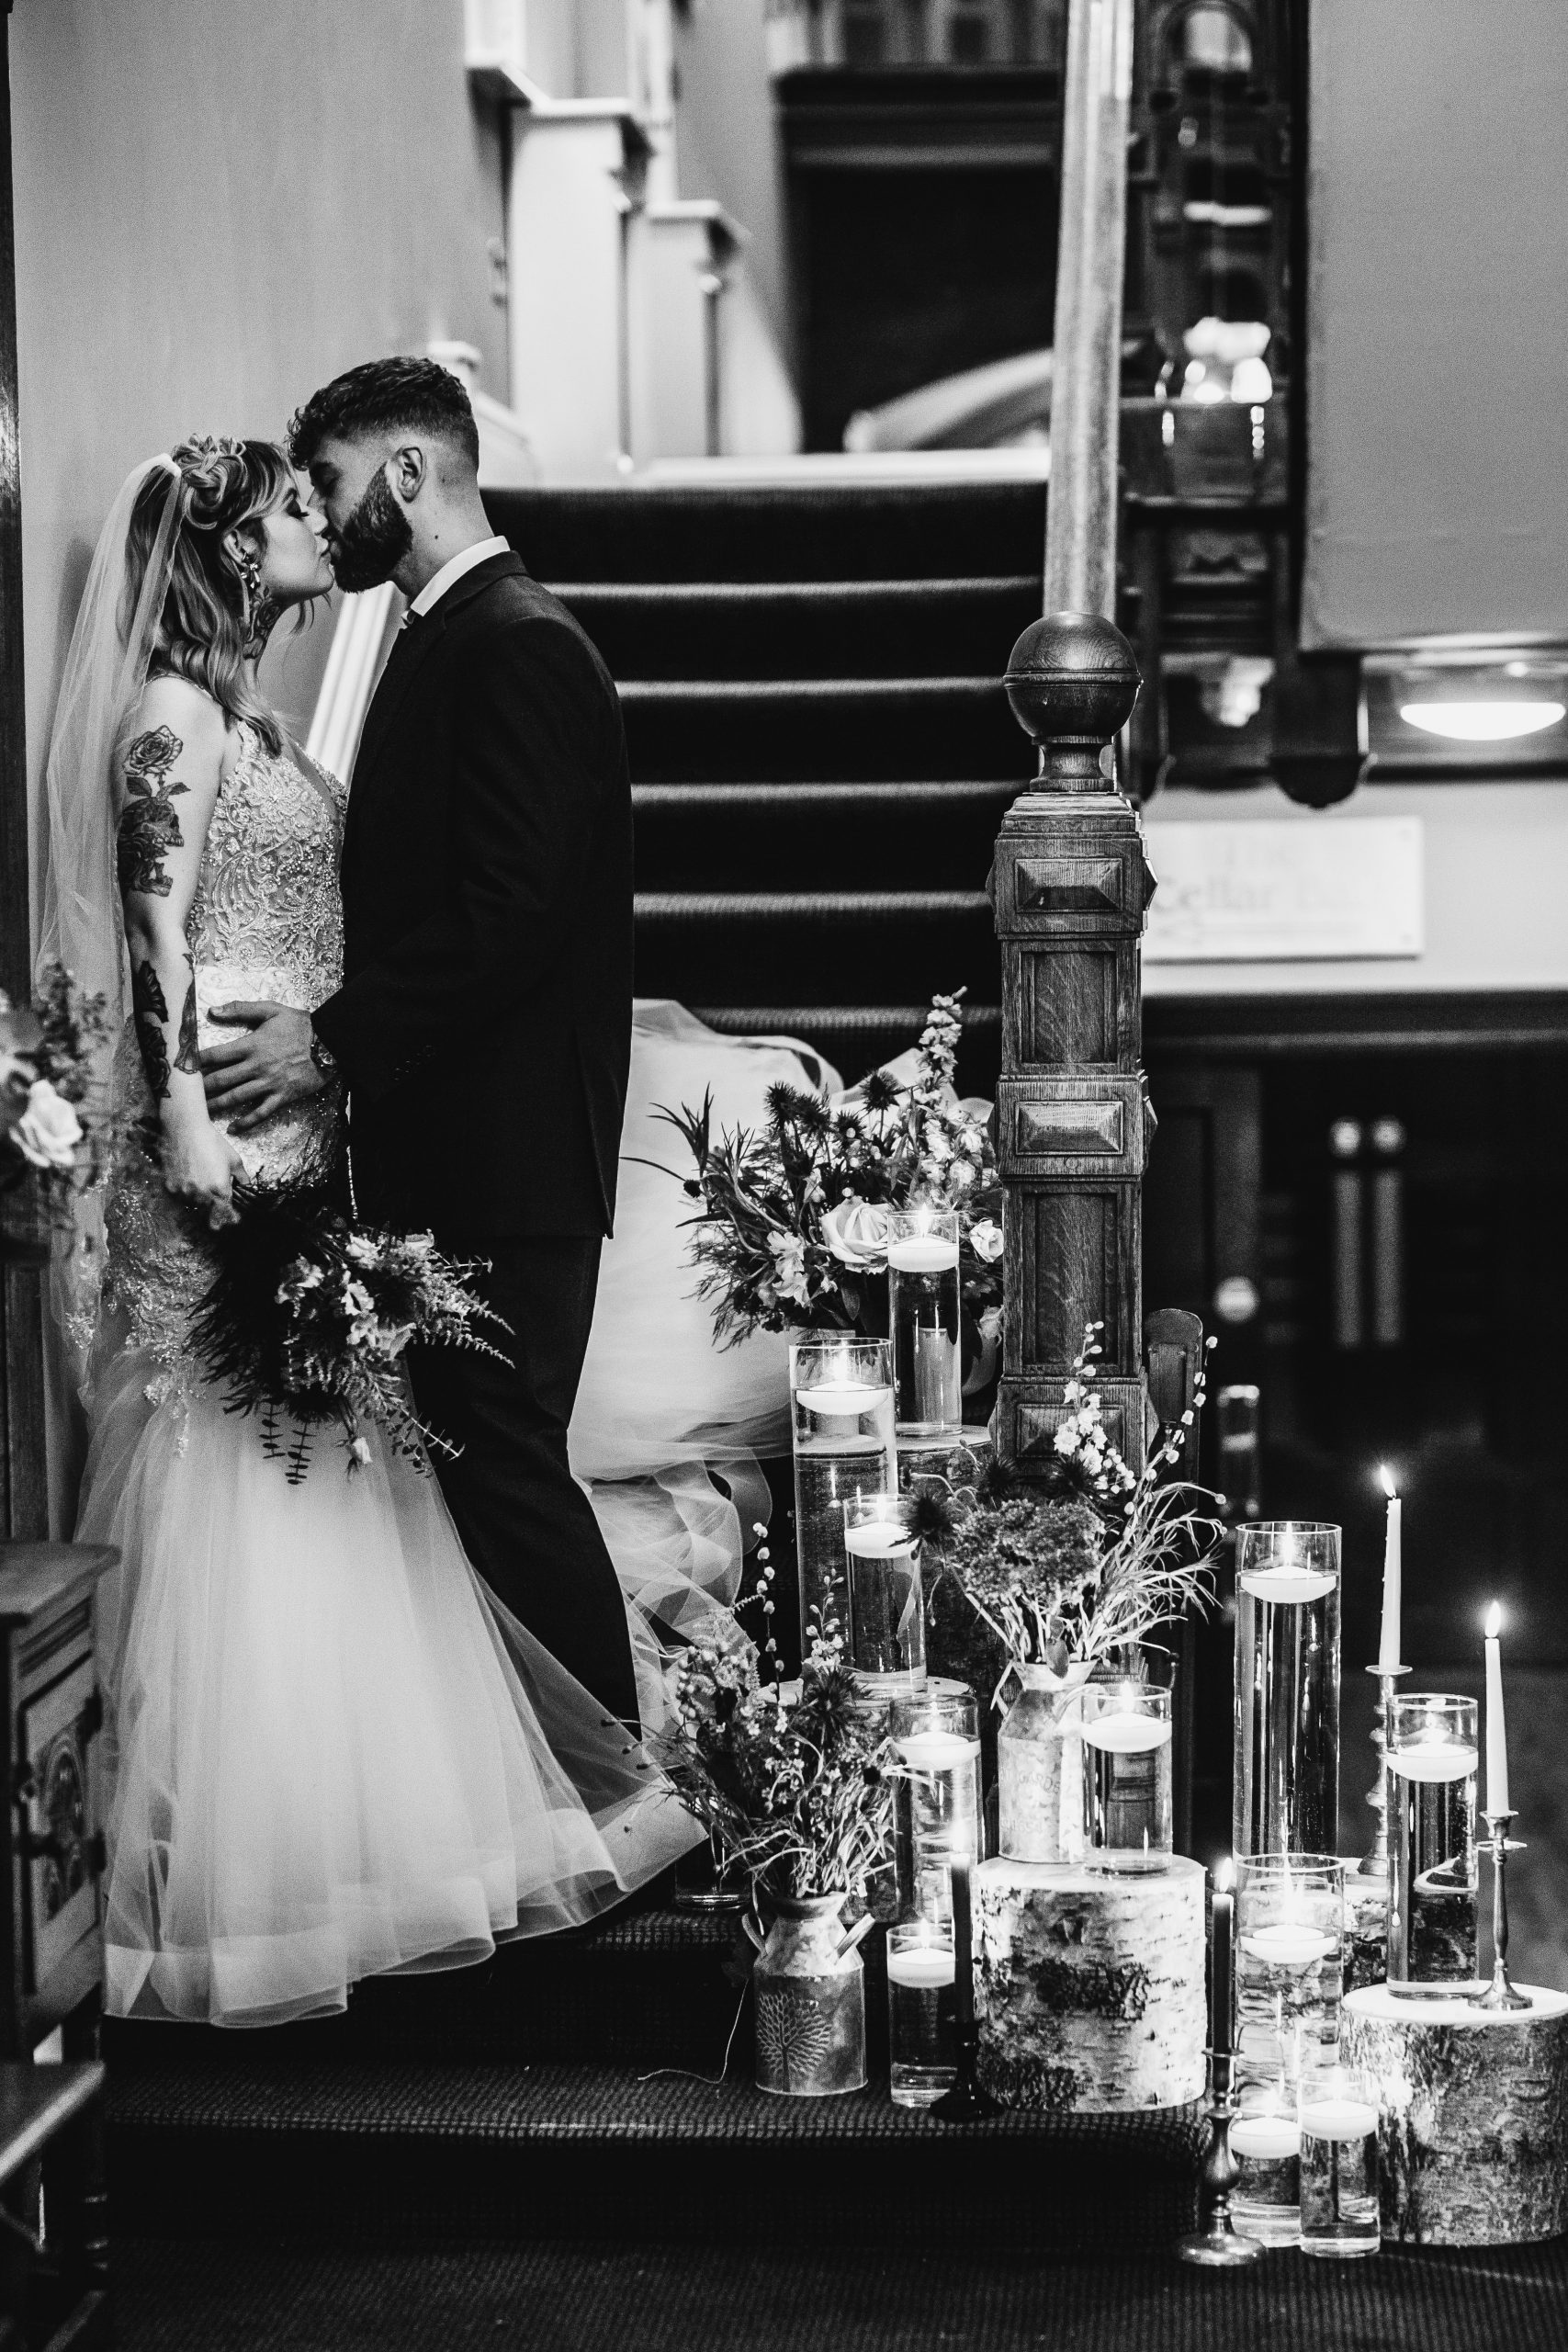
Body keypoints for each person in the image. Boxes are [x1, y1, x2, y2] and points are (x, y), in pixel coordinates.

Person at [39, 437, 696, 2028]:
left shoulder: (259, 718)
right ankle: (257, 1873)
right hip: (231, 1147)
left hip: (313, 1143)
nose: (312, 524)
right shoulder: (175, 723)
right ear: (224, 543)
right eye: (283, 507)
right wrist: (192, 1127)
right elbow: (153, 931)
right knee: (245, 1480)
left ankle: (364, 1841)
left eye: (311, 493)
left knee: (337, 1473)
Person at [198, 358, 641, 1734]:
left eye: (332, 483)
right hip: (463, 1154)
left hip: (505, 1167)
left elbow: (508, 914)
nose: (323, 520)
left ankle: (626, 1805)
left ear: (407, 473)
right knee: (485, 1475)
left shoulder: (519, 641)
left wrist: (328, 1048)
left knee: (506, 1474)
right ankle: (569, 1795)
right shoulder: (449, 633)